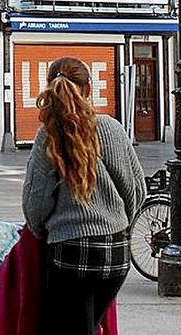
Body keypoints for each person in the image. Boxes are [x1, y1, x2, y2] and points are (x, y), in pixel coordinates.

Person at [23, 57, 147, 335]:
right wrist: (116, 224)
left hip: (69, 251)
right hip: (116, 255)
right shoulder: (112, 128)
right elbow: (136, 190)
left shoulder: (49, 135)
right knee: (88, 324)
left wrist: (44, 231)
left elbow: (35, 204)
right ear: (89, 89)